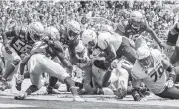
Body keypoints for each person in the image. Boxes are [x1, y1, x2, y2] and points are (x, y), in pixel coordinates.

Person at [14, 28, 84, 102]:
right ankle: (76, 96)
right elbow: (63, 60)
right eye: (56, 34)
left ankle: (24, 93)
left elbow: (22, 63)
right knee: (65, 76)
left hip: (32, 62)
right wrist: (69, 67)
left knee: (37, 85)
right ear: (52, 35)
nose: (58, 36)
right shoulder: (52, 43)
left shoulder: (36, 44)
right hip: (43, 59)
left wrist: (20, 79)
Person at [0, 22, 44, 90]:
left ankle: (4, 80)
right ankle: (2, 80)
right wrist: (6, 44)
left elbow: (25, 61)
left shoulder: (37, 42)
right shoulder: (22, 31)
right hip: (8, 49)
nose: (37, 38)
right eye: (36, 35)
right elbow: (5, 34)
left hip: (15, 56)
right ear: (31, 31)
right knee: (17, 59)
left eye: (38, 36)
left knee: (9, 83)